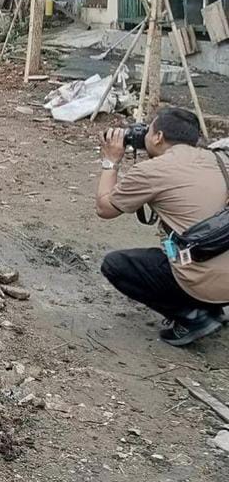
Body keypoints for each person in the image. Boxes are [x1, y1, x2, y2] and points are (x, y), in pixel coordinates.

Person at [96, 108, 229, 346]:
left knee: (116, 265)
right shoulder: (217, 159)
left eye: (148, 130)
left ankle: (193, 316)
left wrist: (111, 161)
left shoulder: (153, 171)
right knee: (180, 248)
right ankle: (211, 305)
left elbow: (104, 209)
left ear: (158, 137)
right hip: (221, 268)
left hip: (202, 278)